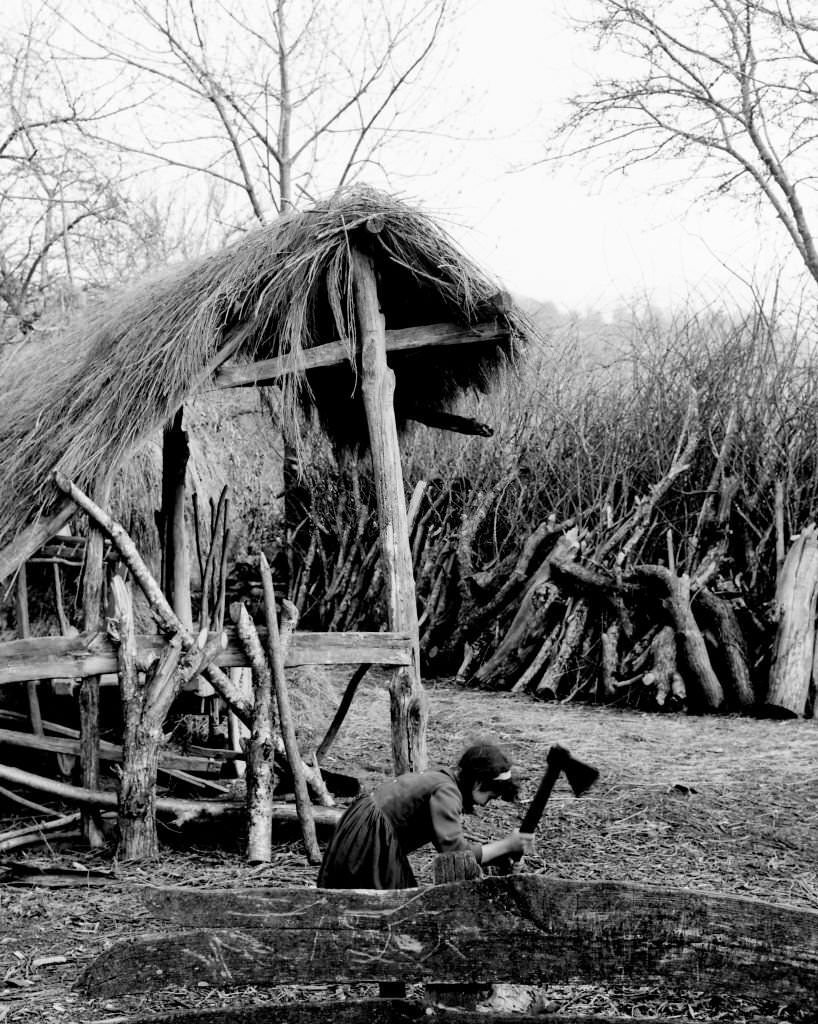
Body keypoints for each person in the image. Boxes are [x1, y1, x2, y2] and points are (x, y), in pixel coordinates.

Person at [317, 741, 534, 889]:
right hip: (370, 838)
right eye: (493, 792)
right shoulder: (447, 792)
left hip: (363, 831)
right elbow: (456, 857)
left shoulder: (442, 780)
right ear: (478, 782)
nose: (491, 800)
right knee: (391, 908)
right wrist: (507, 845)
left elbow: (456, 852)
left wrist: (503, 853)